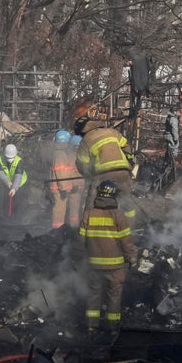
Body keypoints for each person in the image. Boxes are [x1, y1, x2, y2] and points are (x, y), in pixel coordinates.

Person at [79, 179, 136, 335]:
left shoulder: (89, 214)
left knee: (93, 294)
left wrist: (78, 259)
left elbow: (80, 241)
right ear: (114, 196)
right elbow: (126, 242)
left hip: (94, 266)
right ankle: (112, 327)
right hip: (115, 267)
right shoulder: (119, 216)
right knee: (114, 296)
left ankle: (91, 326)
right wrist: (132, 258)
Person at [75, 115, 136, 220]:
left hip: (103, 174)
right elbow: (126, 147)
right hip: (123, 171)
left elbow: (82, 164)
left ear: (81, 131)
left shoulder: (86, 140)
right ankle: (130, 224)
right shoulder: (111, 131)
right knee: (126, 199)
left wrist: (89, 176)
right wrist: (129, 164)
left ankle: (87, 225)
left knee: (91, 200)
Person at [48, 130, 83, 229]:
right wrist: (63, 188)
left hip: (60, 188)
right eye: (67, 142)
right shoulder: (60, 155)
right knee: (59, 210)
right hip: (60, 189)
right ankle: (57, 230)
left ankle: (60, 229)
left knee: (61, 209)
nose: (68, 145)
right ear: (64, 142)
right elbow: (61, 173)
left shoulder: (60, 154)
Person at [0, 143, 28, 215]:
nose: (9, 160)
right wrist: (7, 182)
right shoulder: (0, 159)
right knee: (6, 200)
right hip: (9, 182)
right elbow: (0, 172)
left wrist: (14, 188)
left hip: (20, 183)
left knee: (18, 201)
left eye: (11, 158)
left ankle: (18, 216)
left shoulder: (19, 161)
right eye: (8, 158)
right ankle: (6, 215)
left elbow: (18, 176)